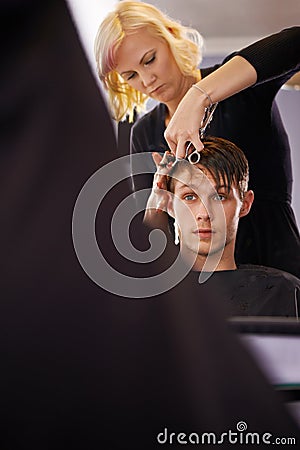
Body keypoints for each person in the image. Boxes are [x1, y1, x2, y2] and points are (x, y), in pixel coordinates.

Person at [94, 1, 300, 278]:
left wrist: (199, 96)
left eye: (149, 59)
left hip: (278, 265)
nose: (147, 79)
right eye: (131, 75)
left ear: (170, 36)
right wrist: (157, 203)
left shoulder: (234, 88)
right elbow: (153, 242)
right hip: (203, 283)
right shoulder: (144, 131)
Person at [145, 136, 300, 317]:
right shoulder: (148, 292)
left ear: (245, 204)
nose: (205, 213)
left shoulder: (285, 293)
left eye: (219, 197)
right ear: (169, 204)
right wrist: (153, 212)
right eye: (189, 197)